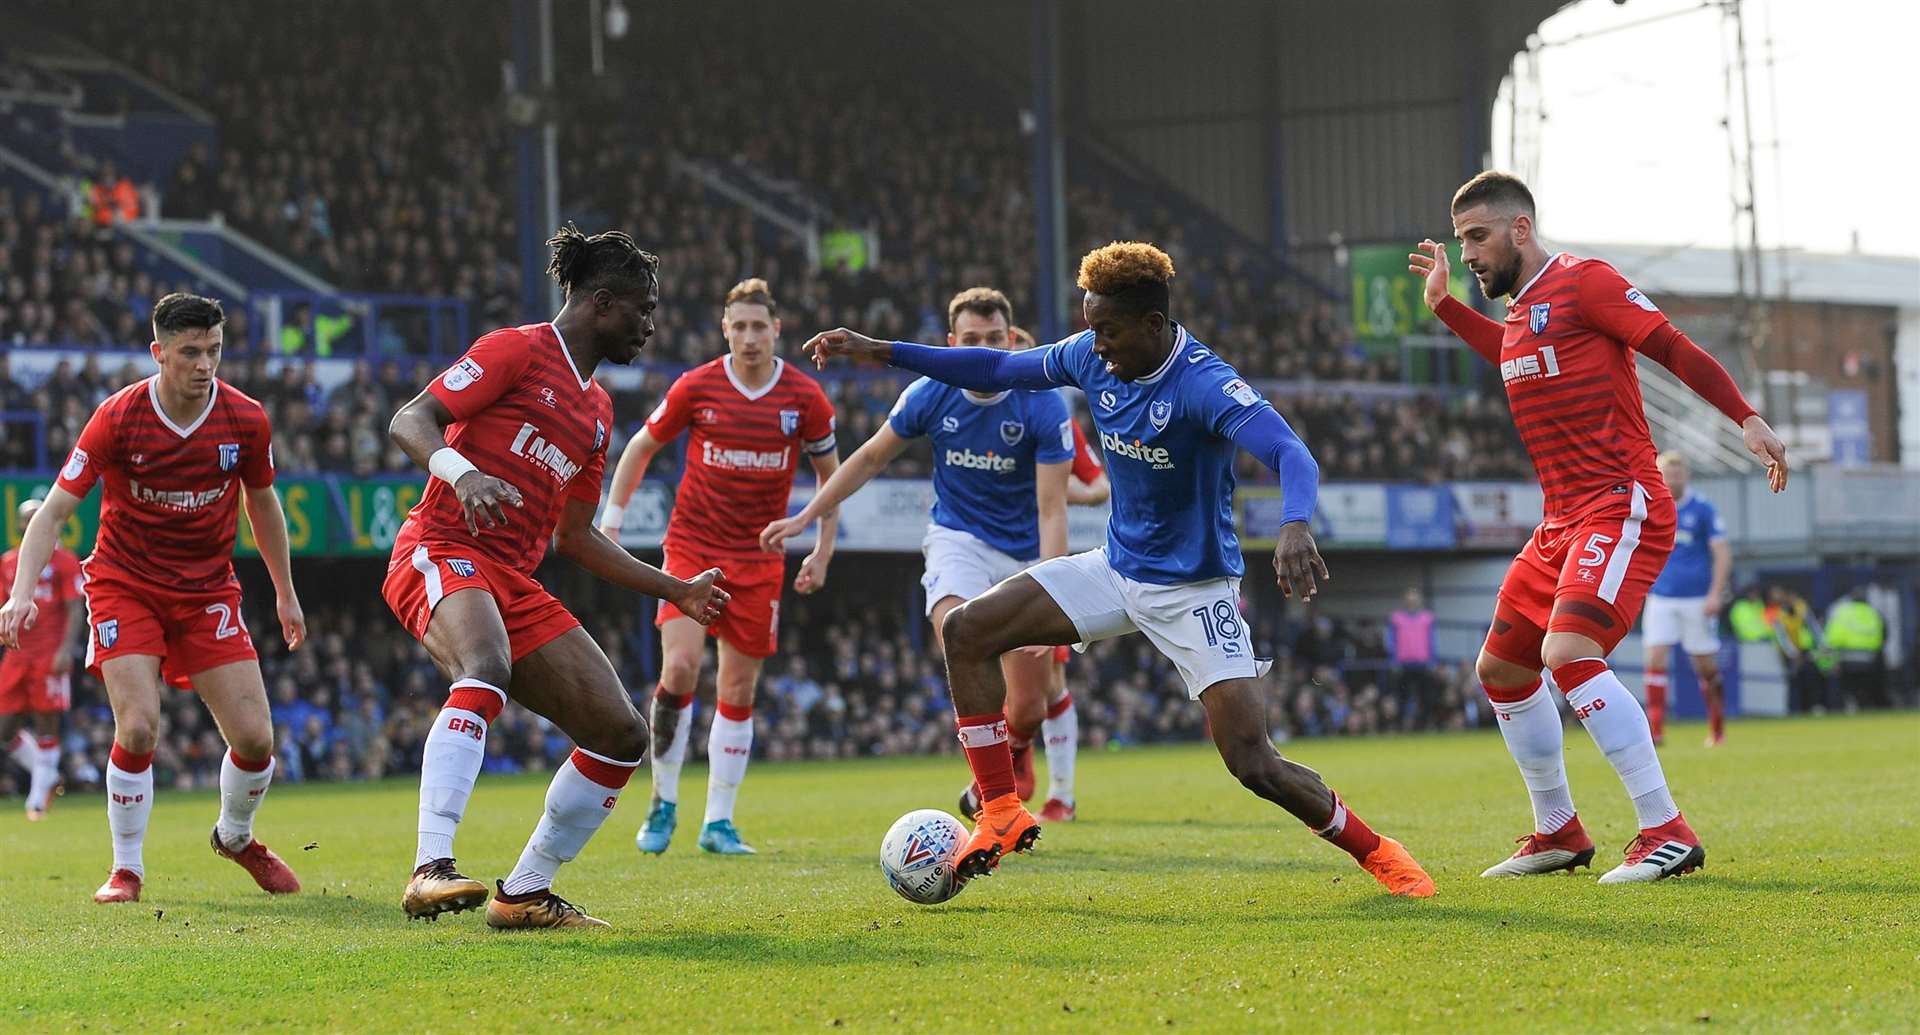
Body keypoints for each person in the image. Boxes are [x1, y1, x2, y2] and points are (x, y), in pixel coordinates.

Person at [803, 241, 1435, 896]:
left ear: (1153, 326)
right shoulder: (1090, 355)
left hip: (1195, 589)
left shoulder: (1203, 382)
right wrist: (882, 349)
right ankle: (998, 809)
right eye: (1091, 326)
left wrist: (1295, 522)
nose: (1094, 343)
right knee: (965, 631)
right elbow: (995, 364)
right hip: (1116, 569)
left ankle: (1376, 849)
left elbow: (1290, 453)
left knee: (1252, 761)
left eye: (1108, 329)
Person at [1408, 172, 1788, 882]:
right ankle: (1558, 829)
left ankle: (1666, 829)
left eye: (1477, 237)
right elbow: (1512, 353)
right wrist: (1446, 310)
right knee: (1501, 669)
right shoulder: (1524, 313)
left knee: (1570, 652)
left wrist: (1747, 417)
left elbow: (1672, 346)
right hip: (1560, 521)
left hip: (1621, 501)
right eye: (1462, 241)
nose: (1468, 256)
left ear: (1520, 229)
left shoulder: (1585, 282)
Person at [383, 225, 728, 930]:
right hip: (441, 544)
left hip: (512, 576)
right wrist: (464, 471)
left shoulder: (597, 413)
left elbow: (576, 537)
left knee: (620, 732)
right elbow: (410, 418)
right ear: (603, 303)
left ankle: (525, 891)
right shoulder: (515, 349)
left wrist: (675, 586)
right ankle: (429, 867)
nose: (651, 325)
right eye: (645, 309)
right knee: (485, 667)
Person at [0, 293, 307, 904]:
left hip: (206, 589)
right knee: (138, 728)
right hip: (125, 583)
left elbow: (263, 504)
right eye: (189, 352)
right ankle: (127, 870)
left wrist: (285, 592)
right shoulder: (118, 417)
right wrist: (19, 595)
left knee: (255, 741)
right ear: (158, 353)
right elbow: (55, 511)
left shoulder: (245, 419)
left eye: (213, 350)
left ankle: (237, 836)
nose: (204, 364)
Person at [762, 289, 1071, 823]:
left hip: (1024, 554)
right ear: (951, 344)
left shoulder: (1041, 402)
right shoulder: (931, 393)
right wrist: (806, 515)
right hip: (958, 538)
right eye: (970, 341)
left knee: (1027, 707)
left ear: (1012, 342)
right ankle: (998, 803)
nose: (982, 351)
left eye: (993, 340)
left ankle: (1014, 754)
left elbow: (1051, 511)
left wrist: (1055, 596)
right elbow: (869, 458)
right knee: (958, 632)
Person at [598, 277, 839, 856]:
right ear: (724, 329)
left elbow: (833, 479)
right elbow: (639, 447)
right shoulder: (698, 386)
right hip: (691, 548)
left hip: (760, 559)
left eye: (761, 326)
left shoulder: (805, 398)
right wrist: (612, 521)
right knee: (679, 669)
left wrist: (822, 548)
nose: (750, 337)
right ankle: (662, 803)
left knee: (738, 688)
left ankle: (718, 822)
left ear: (777, 330)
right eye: (740, 326)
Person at [1012, 324, 1108, 822]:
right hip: (991, 553)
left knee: (1049, 679)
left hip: (1040, 555)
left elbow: (1099, 487)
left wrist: (1051, 491)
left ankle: (1061, 795)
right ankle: (1019, 753)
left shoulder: (1057, 420)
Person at [0, 498, 85, 819]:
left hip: (49, 652)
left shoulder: (64, 561)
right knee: (4, 730)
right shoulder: (8, 563)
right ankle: (46, 773)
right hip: (16, 654)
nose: (31, 523)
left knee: (47, 722)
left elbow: (75, 609)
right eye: (26, 518)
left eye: (38, 516)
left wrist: (66, 649)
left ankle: (36, 799)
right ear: (21, 525)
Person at [1641, 452, 1731, 746]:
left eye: (1679, 470)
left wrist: (1715, 594)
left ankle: (1717, 729)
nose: (1674, 475)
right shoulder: (1650, 507)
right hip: (1661, 597)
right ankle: (1656, 730)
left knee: (1705, 665)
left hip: (1697, 599)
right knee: (1655, 658)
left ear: (1687, 474)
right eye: (1669, 471)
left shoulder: (1703, 509)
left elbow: (1721, 553)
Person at [1824, 588, 1887, 710]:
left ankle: (1849, 705)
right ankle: (1863, 706)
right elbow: (1882, 636)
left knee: (1846, 688)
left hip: (1847, 659)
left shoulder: (1843, 612)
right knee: (1864, 689)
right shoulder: (1873, 613)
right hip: (1869, 659)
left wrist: (1831, 660)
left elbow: (1833, 638)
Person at [1387, 587, 1440, 726]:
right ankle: (1400, 725)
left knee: (1426, 697)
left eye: (1414, 599)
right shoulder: (1396, 619)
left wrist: (1433, 660)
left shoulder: (1427, 618)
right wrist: (1393, 660)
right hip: (1403, 664)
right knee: (1402, 697)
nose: (1412, 602)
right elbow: (1392, 641)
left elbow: (1432, 640)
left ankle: (1424, 724)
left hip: (1423, 664)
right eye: (1409, 599)